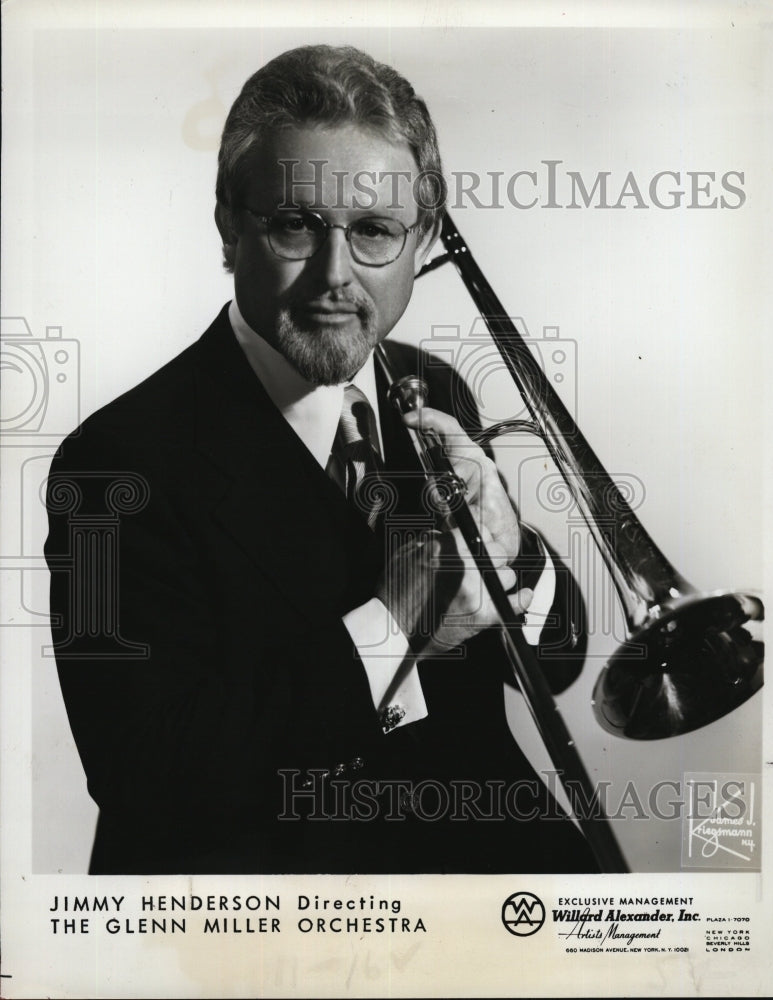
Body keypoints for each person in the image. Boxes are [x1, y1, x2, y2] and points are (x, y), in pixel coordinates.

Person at [45, 44, 597, 875]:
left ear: (421, 243)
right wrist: (396, 619)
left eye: (374, 230)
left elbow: (552, 670)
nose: (336, 279)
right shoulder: (104, 466)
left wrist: (515, 554)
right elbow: (140, 775)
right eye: (297, 225)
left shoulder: (430, 383)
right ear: (231, 229)